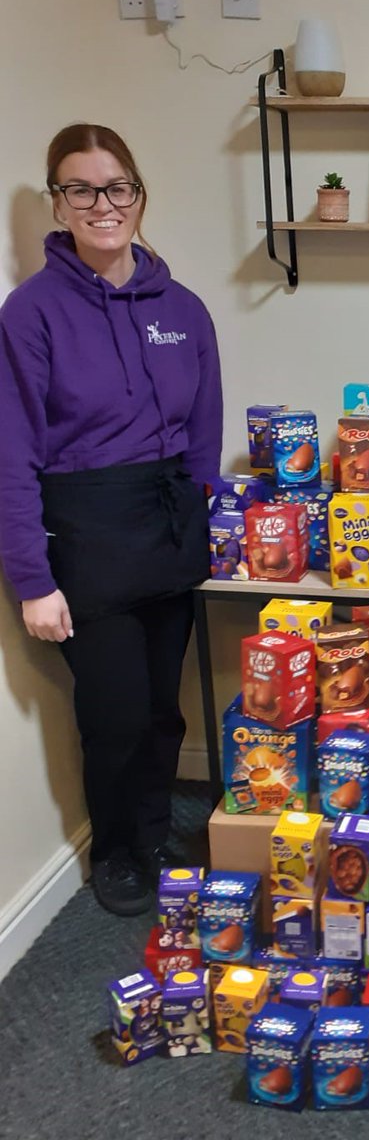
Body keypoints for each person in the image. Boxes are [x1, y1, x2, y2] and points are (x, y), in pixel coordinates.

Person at [0, 124, 223, 917]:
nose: (103, 204)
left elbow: (204, 431)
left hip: (165, 525)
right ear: (59, 203)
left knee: (164, 707)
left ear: (138, 194)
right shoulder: (30, 314)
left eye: (117, 186)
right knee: (116, 712)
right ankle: (117, 850)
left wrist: (198, 526)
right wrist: (31, 577)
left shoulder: (184, 309)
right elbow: (13, 451)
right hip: (84, 536)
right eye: (81, 189)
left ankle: (156, 830)